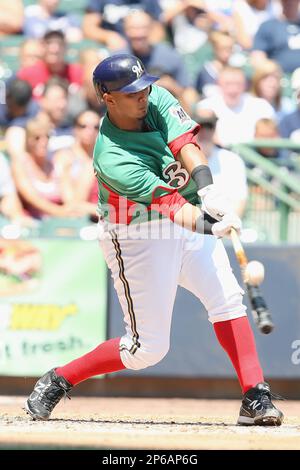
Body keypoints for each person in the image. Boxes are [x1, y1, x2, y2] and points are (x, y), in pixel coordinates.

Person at [25, 53, 283, 426]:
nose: (142, 95)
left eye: (143, 86)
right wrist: (213, 225)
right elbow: (173, 207)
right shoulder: (111, 156)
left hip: (188, 214)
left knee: (227, 299)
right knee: (147, 350)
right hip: (136, 234)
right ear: (107, 98)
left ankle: (254, 395)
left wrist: (208, 190)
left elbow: (186, 146)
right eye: (131, 92)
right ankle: (60, 378)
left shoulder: (155, 96)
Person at [122, 10, 198, 114]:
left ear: (151, 29)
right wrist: (153, 86)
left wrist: (173, 87)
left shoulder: (168, 55)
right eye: (133, 28)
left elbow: (189, 91)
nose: (138, 34)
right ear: (125, 30)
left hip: (167, 113)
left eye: (143, 28)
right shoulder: (119, 60)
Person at [197, 66, 275, 147]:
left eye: (238, 84)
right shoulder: (205, 107)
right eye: (228, 83)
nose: (233, 89)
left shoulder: (261, 107)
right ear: (218, 84)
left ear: (245, 85)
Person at [195, 109, 248, 217]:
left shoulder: (232, 160)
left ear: (214, 129)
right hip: (192, 226)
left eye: (209, 127)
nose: (204, 132)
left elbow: (239, 201)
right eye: (200, 127)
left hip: (223, 224)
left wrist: (229, 224)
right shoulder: (180, 160)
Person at [53, 110, 100, 217]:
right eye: (84, 126)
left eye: (96, 127)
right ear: (75, 129)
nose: (90, 131)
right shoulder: (65, 157)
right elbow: (72, 204)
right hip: (77, 218)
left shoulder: (102, 158)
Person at [18, 30, 83, 100]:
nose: (55, 49)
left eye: (60, 44)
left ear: (66, 48)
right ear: (42, 48)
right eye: (49, 43)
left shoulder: (77, 73)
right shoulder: (28, 74)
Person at [252, 0, 300, 74]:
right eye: (286, 1)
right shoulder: (268, 26)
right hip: (281, 79)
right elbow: (258, 57)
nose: (290, 2)